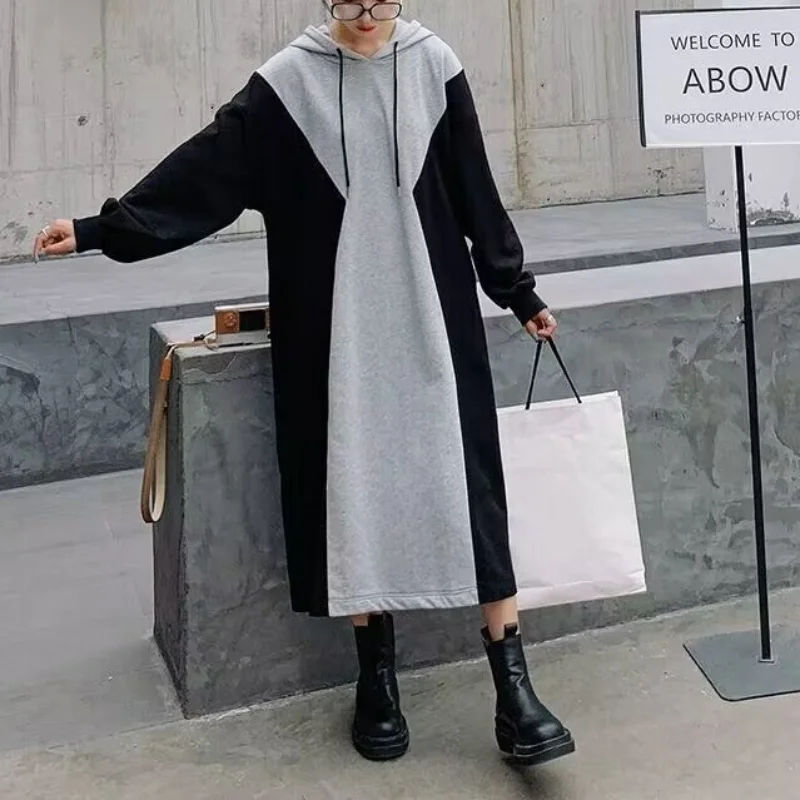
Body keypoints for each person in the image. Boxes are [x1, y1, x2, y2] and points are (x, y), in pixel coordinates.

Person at [34, 0, 573, 767]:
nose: (366, 14)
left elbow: (476, 194)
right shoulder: (287, 85)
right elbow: (201, 175)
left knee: (469, 486)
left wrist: (517, 292)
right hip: (332, 332)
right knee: (348, 488)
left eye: (381, 0)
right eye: (350, 0)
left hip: (434, 319)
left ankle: (514, 690)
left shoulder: (435, 66)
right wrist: (98, 230)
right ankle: (375, 677)